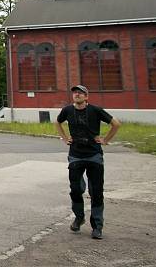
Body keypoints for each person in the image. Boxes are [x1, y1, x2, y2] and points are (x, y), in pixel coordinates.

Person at [55, 85, 121, 240]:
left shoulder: (95, 110)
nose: (77, 94)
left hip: (94, 156)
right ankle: (79, 217)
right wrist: (65, 138)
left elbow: (116, 124)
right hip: (76, 156)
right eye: (75, 93)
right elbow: (57, 122)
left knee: (96, 191)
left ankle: (97, 226)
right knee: (76, 189)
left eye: (80, 93)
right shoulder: (67, 111)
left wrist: (105, 139)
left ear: (86, 97)